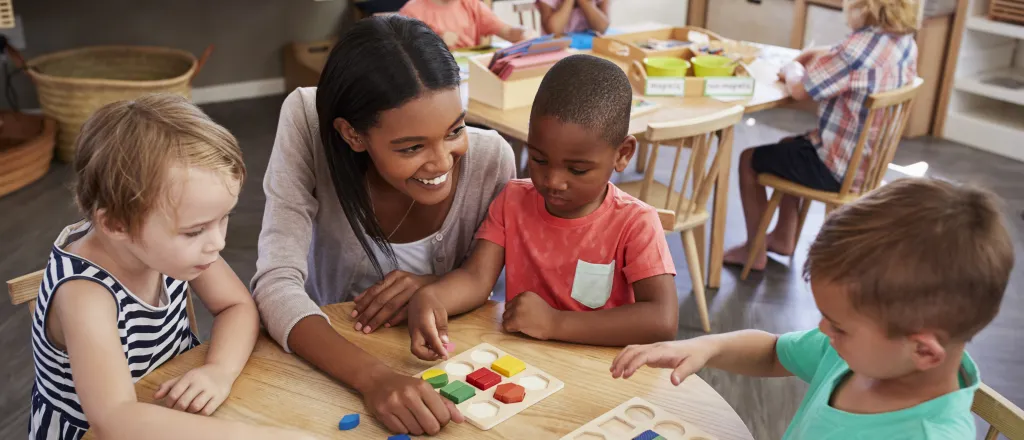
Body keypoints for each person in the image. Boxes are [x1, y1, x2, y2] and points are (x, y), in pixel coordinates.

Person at [251, 15, 517, 436]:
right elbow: (275, 283)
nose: (442, 162)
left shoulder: (491, 159)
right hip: (332, 357)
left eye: (455, 130)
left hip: (448, 367)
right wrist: (374, 379)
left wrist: (435, 284)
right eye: (411, 147)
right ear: (352, 135)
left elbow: (491, 285)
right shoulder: (308, 120)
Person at [611, 178, 1014, 439]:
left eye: (839, 326)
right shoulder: (860, 356)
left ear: (924, 350)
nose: (824, 330)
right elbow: (773, 352)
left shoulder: (929, 435)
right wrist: (706, 348)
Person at [29, 95, 314, 440]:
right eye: (195, 230)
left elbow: (237, 306)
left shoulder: (171, 247)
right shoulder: (84, 295)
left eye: (223, 219)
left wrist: (218, 371)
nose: (217, 242)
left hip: (168, 411)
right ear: (118, 224)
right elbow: (114, 420)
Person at [406, 54, 678, 361]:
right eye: (539, 160)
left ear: (623, 154)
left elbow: (662, 320)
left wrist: (556, 323)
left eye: (577, 170)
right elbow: (476, 279)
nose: (553, 181)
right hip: (524, 364)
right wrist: (431, 297)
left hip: (601, 371)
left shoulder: (636, 223)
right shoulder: (513, 200)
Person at [723, 0, 920, 270]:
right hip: (867, 165)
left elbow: (801, 90)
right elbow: (843, 61)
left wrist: (792, 68)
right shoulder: (904, 42)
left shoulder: (854, 51)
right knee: (787, 146)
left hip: (835, 170)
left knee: (749, 159)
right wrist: (819, 53)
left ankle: (753, 251)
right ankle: (782, 237)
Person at [399, 0, 535, 50]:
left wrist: (524, 32)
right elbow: (404, 53)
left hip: (471, 77)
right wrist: (435, 41)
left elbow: (508, 31)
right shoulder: (412, 10)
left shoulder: (471, 4)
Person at [536, 0, 611, 35]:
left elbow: (602, 28)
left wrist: (583, 2)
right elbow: (554, 31)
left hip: (589, 49)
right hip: (557, 51)